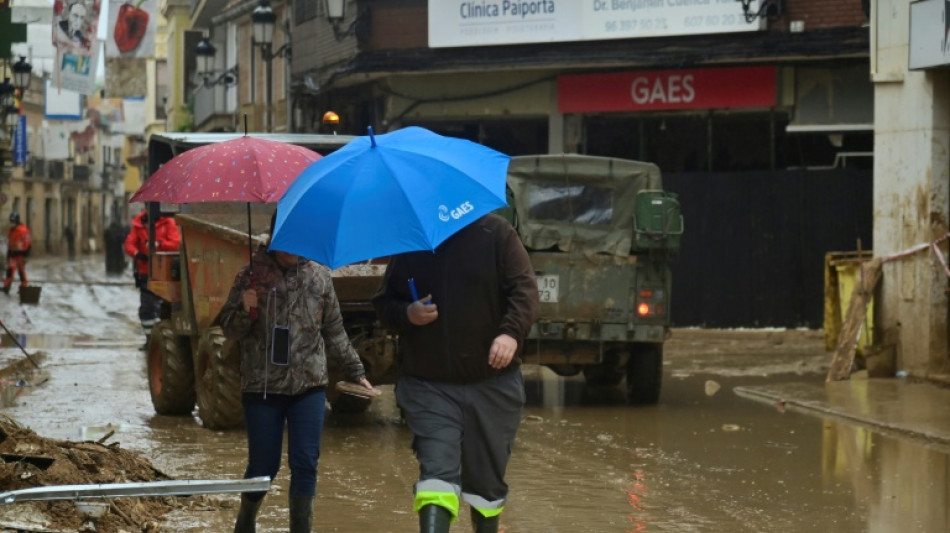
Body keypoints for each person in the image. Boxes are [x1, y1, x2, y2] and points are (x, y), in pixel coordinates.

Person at [372, 213, 540, 533]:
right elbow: (384, 303)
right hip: (428, 385)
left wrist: (510, 333)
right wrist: (407, 313)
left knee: (486, 488)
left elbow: (525, 291)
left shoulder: (497, 234)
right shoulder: (413, 241)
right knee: (436, 474)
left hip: (493, 383)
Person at [218, 212, 374, 533]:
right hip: (262, 387)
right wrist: (245, 308)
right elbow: (230, 330)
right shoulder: (250, 276)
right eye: (286, 239)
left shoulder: (319, 277)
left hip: (309, 386)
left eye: (299, 238)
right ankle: (245, 521)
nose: (292, 247)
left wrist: (356, 370)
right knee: (264, 466)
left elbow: (334, 331)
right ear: (274, 237)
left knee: (305, 463)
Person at [123, 209, 180, 348]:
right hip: (145, 272)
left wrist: (159, 244)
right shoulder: (138, 224)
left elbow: (176, 243)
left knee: (165, 307)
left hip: (165, 272)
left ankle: (164, 338)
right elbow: (129, 244)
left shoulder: (168, 223)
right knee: (146, 308)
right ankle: (150, 339)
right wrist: (137, 254)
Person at [3, 212, 32, 295]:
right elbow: (10, 243)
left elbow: (27, 243)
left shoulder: (23, 230)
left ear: (17, 221)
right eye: (11, 221)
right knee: (10, 270)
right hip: (13, 254)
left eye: (13, 221)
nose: (12, 223)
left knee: (21, 271)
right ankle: (6, 286)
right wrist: (8, 254)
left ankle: (23, 286)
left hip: (20, 254)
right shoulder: (11, 231)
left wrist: (25, 254)